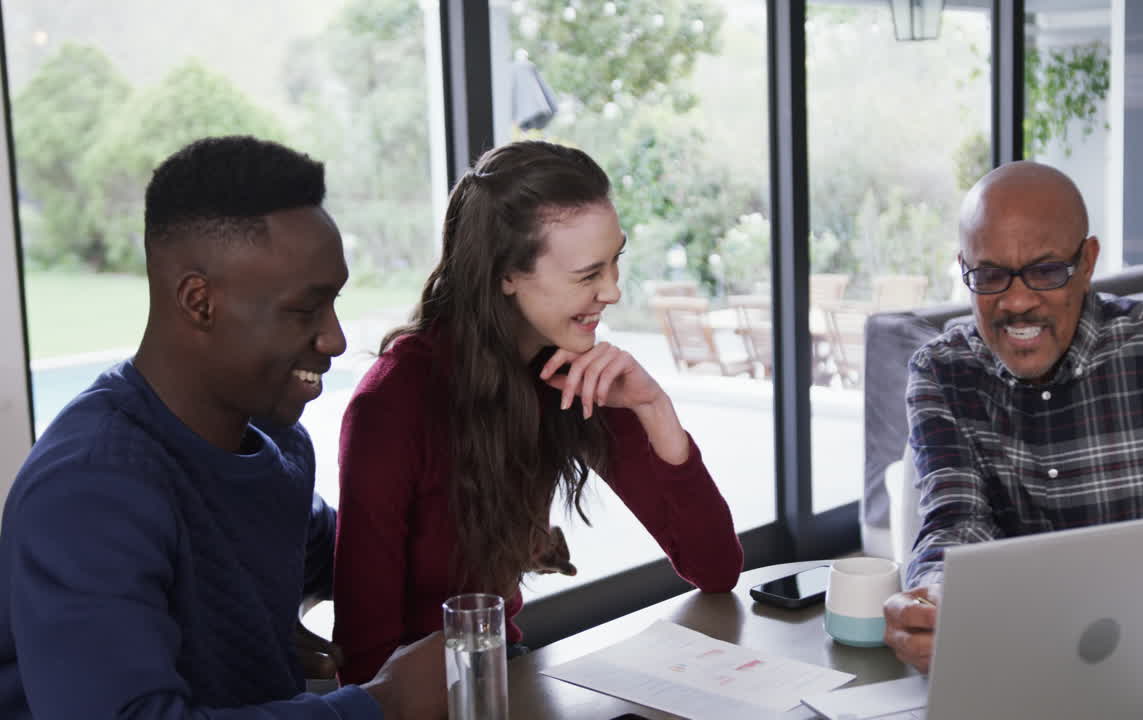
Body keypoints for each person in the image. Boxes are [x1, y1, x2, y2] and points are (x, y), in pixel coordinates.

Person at [0, 136, 446, 719]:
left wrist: (480, 522)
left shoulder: (273, 442)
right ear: (198, 301)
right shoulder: (88, 491)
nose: (335, 339)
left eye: (334, 303)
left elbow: (339, 550)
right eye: (304, 309)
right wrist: (380, 705)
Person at [332, 140, 744, 683]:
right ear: (507, 274)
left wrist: (654, 408)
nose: (614, 291)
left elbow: (715, 569)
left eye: (616, 261)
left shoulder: (575, 371)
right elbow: (365, 663)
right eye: (588, 275)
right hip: (418, 698)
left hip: (509, 674)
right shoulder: (392, 404)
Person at [882, 161, 1143, 673]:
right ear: (965, 269)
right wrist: (936, 599)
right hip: (1025, 676)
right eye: (990, 275)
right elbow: (955, 524)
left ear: (1087, 261)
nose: (1018, 302)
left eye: (1046, 271)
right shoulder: (942, 373)